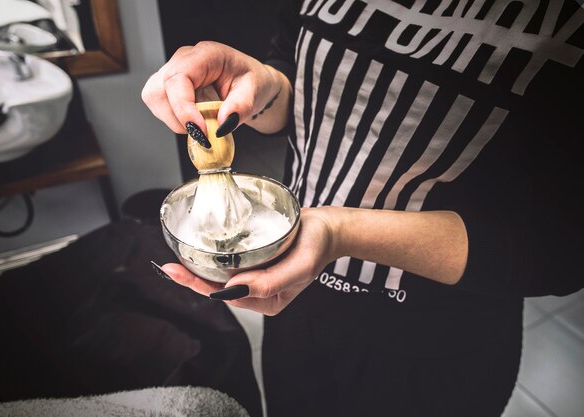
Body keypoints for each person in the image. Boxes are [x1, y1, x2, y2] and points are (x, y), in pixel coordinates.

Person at [142, 1, 584, 416]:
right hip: (299, 308)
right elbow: (303, 88)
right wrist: (264, 85)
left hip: (435, 341)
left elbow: (561, 245)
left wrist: (339, 232)